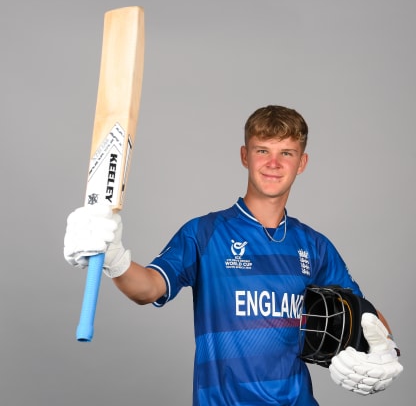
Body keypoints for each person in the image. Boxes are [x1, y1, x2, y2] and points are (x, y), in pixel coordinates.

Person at [64, 105, 403, 405]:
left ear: (302, 163)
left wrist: (385, 351)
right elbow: (149, 288)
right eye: (262, 150)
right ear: (245, 156)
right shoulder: (204, 233)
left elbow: (366, 315)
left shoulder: (314, 245)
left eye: (287, 153)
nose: (273, 163)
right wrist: (114, 257)